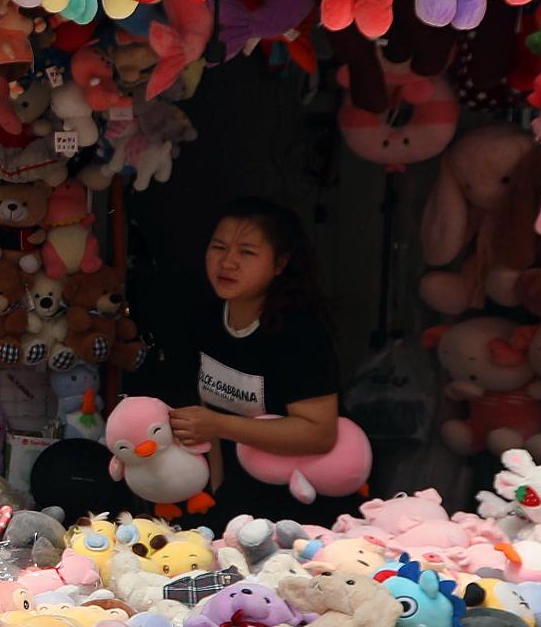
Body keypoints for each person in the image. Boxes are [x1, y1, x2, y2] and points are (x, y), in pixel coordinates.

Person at [30, 197, 343, 525]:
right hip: (238, 501)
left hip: (304, 506)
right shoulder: (207, 318)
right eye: (219, 247)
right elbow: (209, 415)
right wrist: (216, 496)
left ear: (280, 263)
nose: (227, 262)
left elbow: (318, 432)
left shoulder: (300, 332)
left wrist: (218, 425)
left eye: (246, 252)